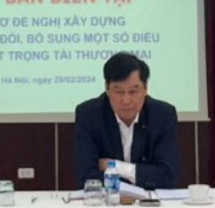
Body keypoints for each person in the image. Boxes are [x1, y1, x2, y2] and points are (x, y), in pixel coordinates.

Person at [72, 52, 182, 189]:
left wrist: (117, 167)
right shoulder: (89, 115)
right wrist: (139, 177)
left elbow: (168, 177)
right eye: (119, 92)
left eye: (133, 91)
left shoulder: (162, 115)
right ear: (107, 89)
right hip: (106, 201)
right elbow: (86, 178)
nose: (126, 100)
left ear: (145, 89)